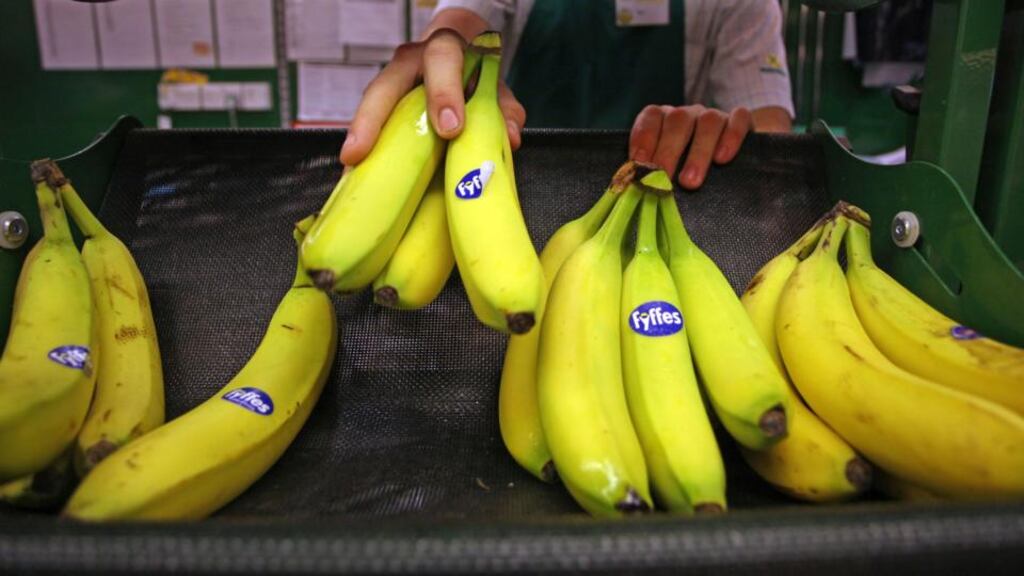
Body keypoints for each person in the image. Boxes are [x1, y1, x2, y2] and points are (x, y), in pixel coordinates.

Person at [340, 0, 793, 190]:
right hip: (506, 199)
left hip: (663, 204)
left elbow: (772, 142)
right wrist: (444, 50)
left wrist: (724, 133)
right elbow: (459, 23)